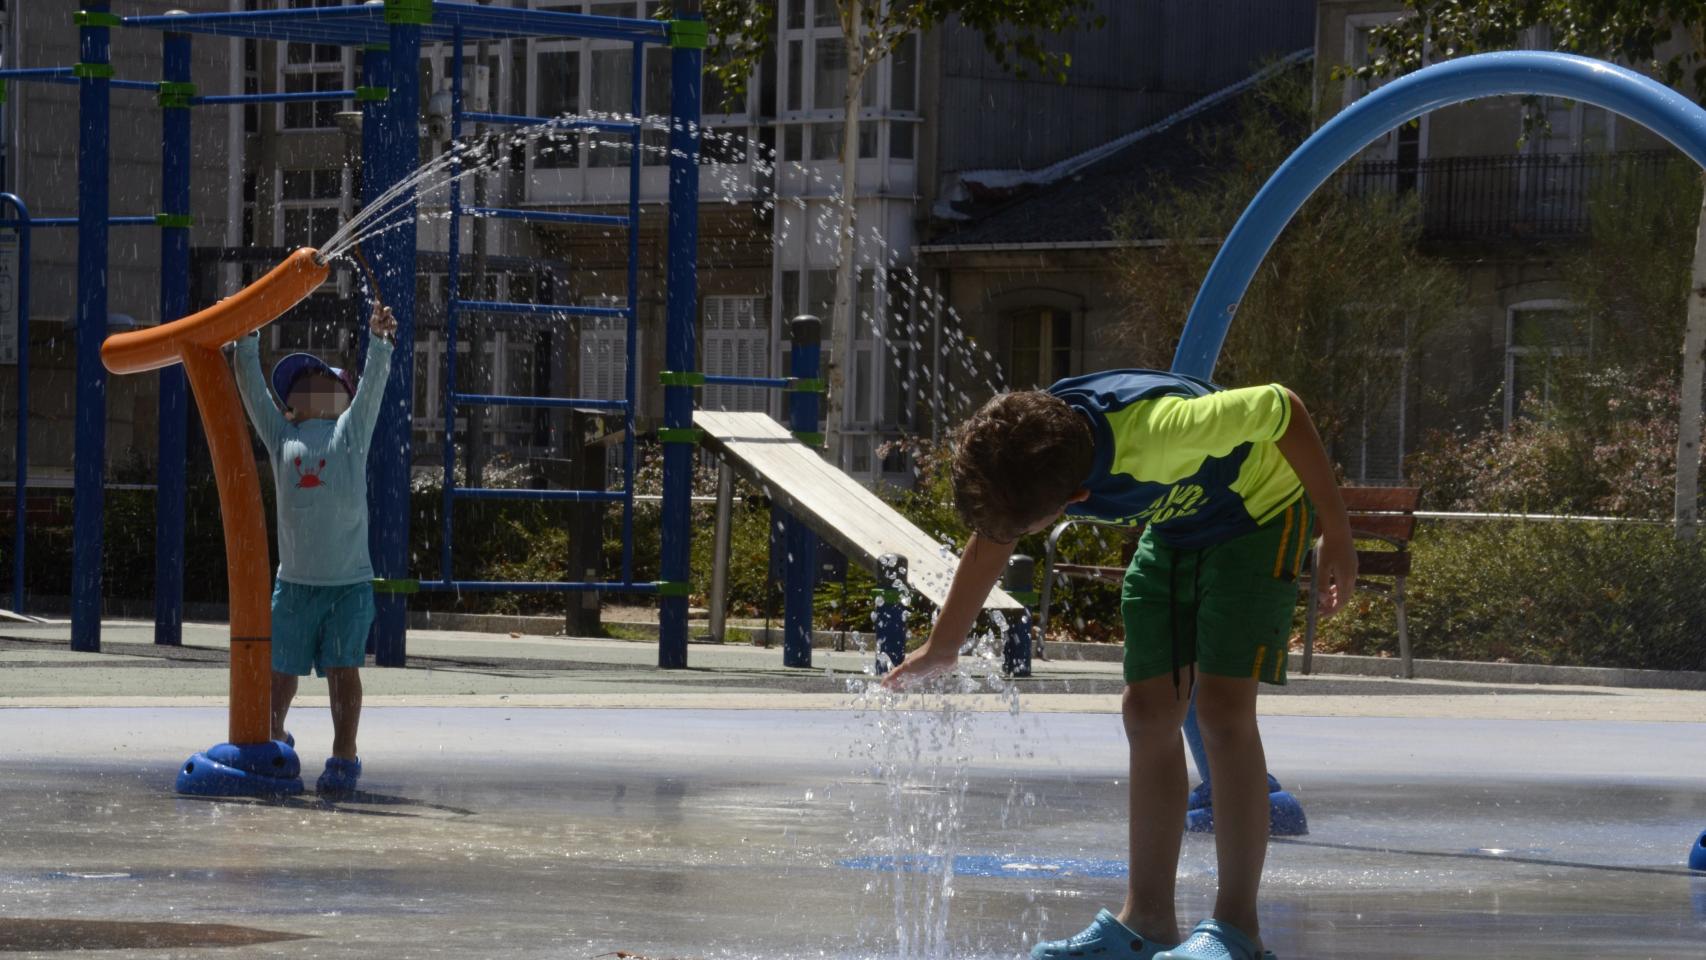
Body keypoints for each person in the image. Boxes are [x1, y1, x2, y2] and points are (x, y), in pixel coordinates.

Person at [882, 371, 1356, 960]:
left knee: (1222, 711)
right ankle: (1148, 921)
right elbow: (996, 535)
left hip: (1260, 516)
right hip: (1180, 528)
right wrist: (944, 645)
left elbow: (1282, 406)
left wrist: (1335, 530)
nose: (1008, 537)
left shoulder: (1162, 432)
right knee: (1148, 711)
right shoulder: (1029, 447)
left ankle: (1238, 931)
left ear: (1076, 501)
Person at [231, 303, 396, 799]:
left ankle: (344, 754)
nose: (310, 388)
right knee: (279, 674)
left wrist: (380, 343)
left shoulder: (350, 434)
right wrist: (246, 338)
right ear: (290, 407)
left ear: (343, 397)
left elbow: (372, 393)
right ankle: (274, 739)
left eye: (322, 381)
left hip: (347, 584)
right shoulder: (281, 435)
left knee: (343, 673)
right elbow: (252, 392)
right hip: (295, 584)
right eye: (301, 385)